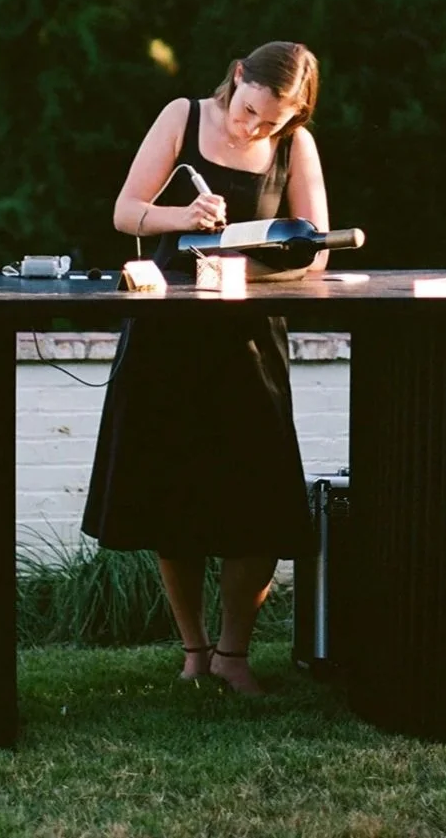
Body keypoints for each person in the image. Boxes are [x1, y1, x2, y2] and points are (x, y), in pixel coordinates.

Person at [81, 41, 331, 695]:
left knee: (259, 495)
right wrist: (184, 216)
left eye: (272, 121)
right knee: (172, 495)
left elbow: (317, 248)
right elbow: (125, 212)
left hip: (248, 336)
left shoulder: (293, 146)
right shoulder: (180, 116)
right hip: (168, 329)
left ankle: (232, 652)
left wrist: (265, 259)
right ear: (237, 77)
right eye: (251, 111)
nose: (256, 127)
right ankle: (193, 648)